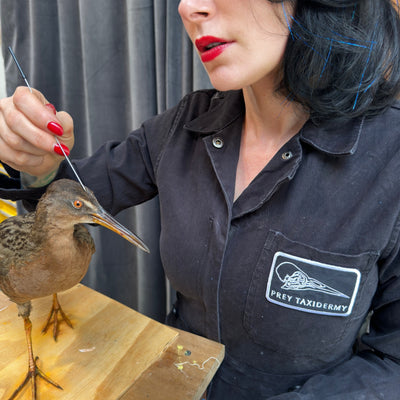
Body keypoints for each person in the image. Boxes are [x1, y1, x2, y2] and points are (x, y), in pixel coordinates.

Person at [0, 0, 399, 398]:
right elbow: (60, 199)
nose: (188, 8)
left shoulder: (390, 159)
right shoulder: (183, 126)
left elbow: (392, 360)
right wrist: (38, 163)